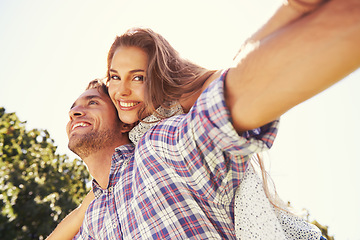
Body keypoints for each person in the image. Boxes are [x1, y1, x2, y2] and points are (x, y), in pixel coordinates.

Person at [48, 0, 360, 239]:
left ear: (124, 122)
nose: (76, 111)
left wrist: (298, 11)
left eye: (92, 102)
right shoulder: (91, 219)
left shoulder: (162, 147)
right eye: (114, 77)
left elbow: (233, 97)